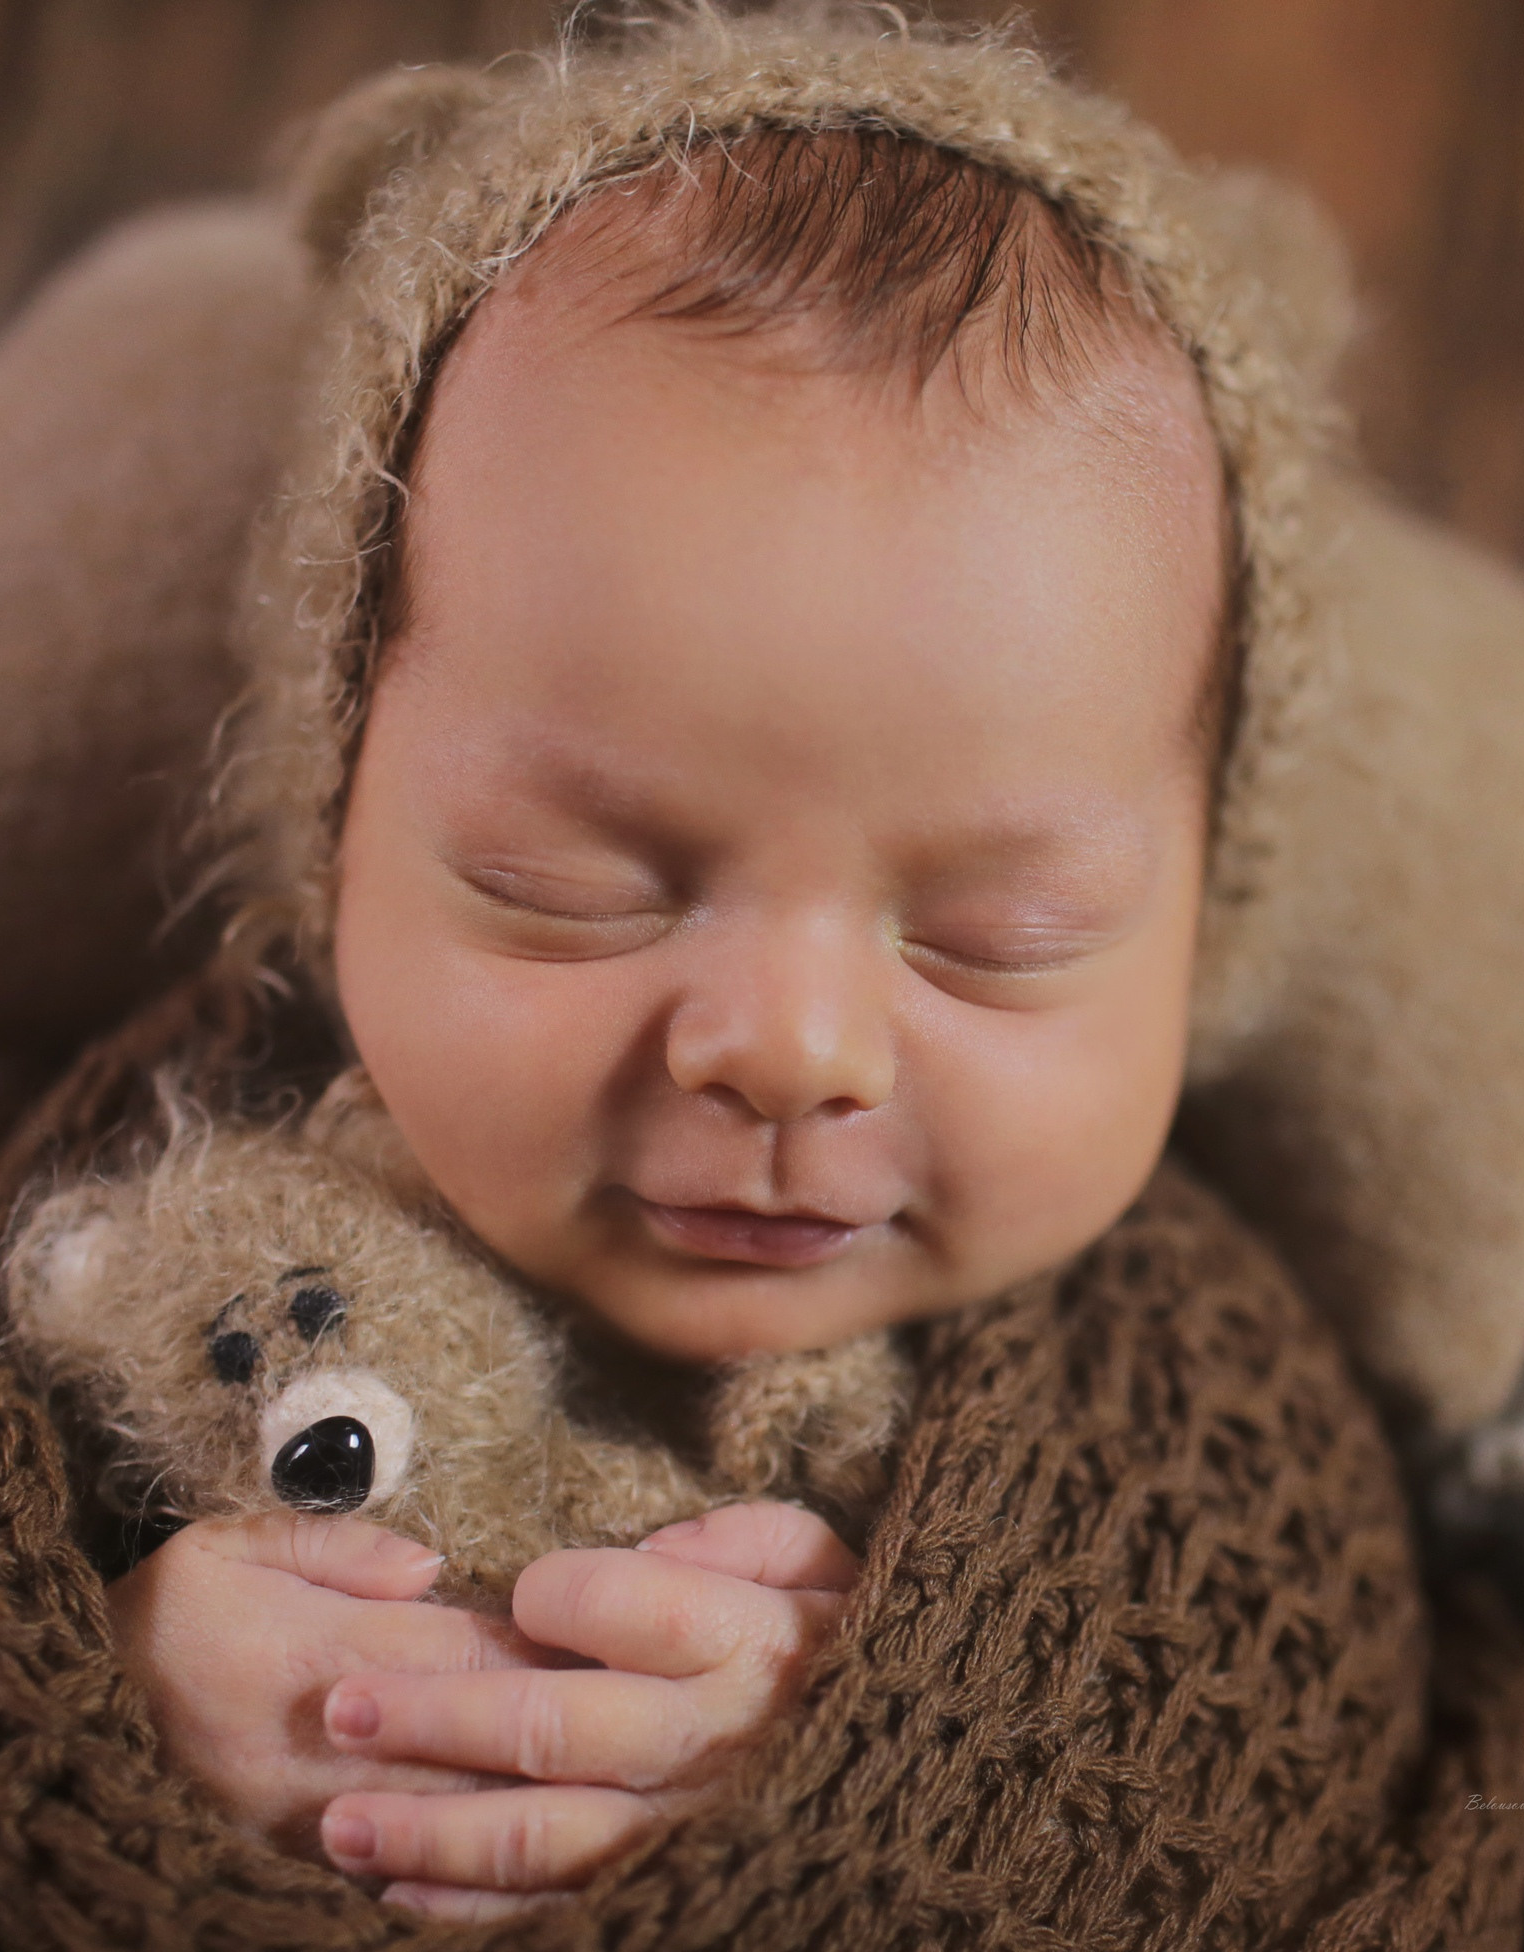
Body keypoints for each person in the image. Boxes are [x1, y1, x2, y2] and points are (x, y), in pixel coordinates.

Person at [106, 119, 1233, 1918]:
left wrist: (929, 1757)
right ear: (337, 829)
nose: (791, 1049)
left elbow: (1329, 1737)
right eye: (577, 890)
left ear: (1198, 928)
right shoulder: (158, 1172)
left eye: (994, 938)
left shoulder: (1198, 1393)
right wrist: (101, 1695)